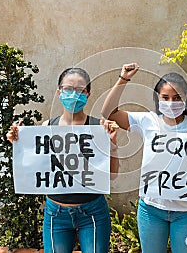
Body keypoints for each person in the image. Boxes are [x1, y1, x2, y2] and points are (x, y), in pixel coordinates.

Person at [101, 63, 187, 253]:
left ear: (186, 98)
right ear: (158, 98)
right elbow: (109, 113)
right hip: (151, 209)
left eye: (177, 98)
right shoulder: (147, 121)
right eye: (165, 97)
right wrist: (123, 79)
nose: (171, 103)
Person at [7, 67, 119, 253]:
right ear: (59, 92)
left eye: (80, 90)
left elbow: (112, 175)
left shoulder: (98, 128)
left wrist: (113, 144)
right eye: (68, 89)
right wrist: (18, 142)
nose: (73, 94)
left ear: (88, 94)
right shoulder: (46, 127)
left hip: (92, 211)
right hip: (55, 213)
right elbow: (34, 167)